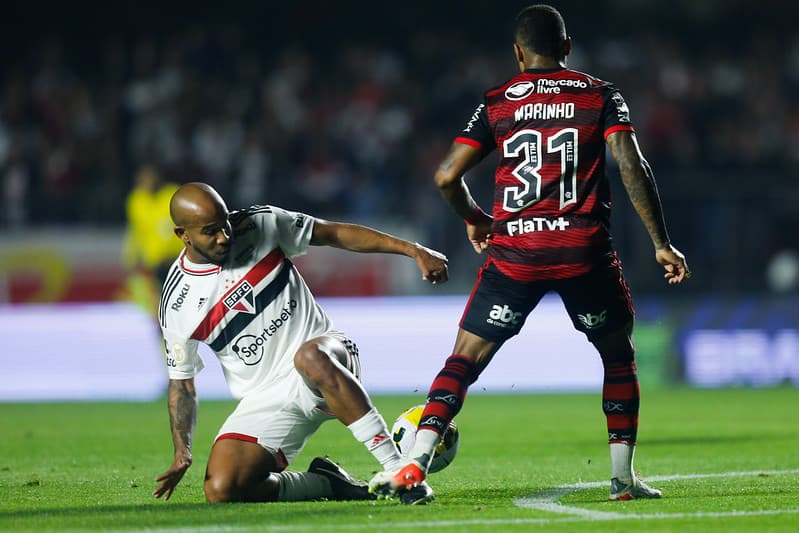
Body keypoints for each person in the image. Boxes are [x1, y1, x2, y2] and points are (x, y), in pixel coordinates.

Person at [369, 4, 690, 504]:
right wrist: (660, 243)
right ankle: (623, 481)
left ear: (517, 52)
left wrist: (475, 218)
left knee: (465, 359)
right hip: (583, 249)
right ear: (566, 46)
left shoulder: (497, 101)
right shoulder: (599, 93)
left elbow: (445, 176)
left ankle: (415, 462)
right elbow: (630, 162)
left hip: (516, 251)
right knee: (617, 357)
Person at [153, 182, 447, 503]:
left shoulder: (261, 223)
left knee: (308, 356)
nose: (225, 236)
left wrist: (412, 250)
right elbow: (182, 384)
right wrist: (183, 450)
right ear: (183, 234)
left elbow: (333, 233)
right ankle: (329, 483)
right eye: (211, 231)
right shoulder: (177, 303)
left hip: (327, 355)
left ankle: (401, 471)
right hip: (266, 396)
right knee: (223, 489)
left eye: (224, 223)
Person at [121, 164, 184, 316]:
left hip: (179, 259)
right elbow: (136, 230)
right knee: (160, 301)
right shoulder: (136, 200)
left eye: (149, 177)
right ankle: (164, 334)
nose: (146, 182)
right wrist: (130, 256)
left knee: (181, 300)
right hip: (154, 261)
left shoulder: (173, 194)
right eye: (142, 179)